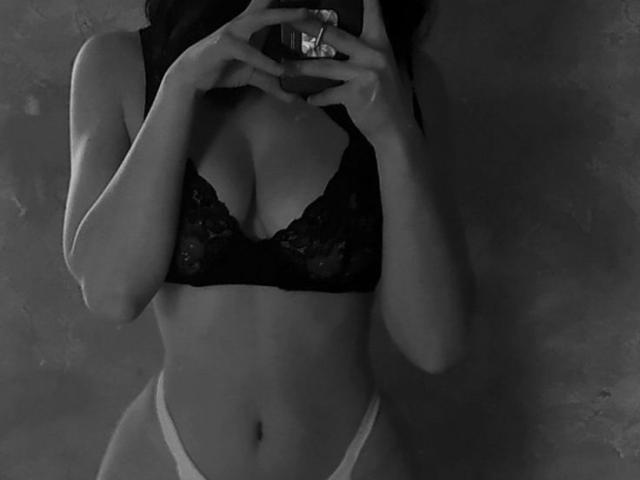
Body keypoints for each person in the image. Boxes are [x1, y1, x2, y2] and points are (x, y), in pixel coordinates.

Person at [62, 0, 474, 478]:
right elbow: (111, 294)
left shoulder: (398, 80)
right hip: (163, 458)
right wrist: (179, 88)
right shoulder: (118, 64)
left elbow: (435, 344)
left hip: (353, 458)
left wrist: (392, 134)